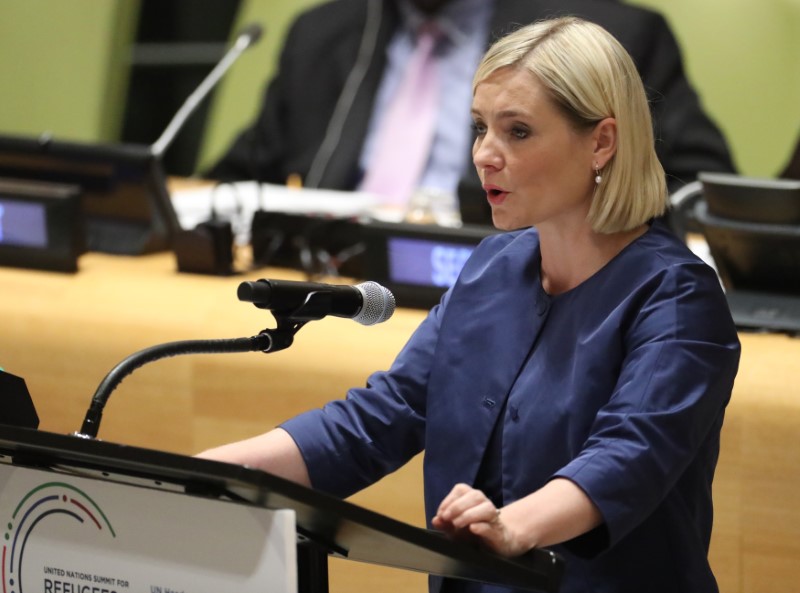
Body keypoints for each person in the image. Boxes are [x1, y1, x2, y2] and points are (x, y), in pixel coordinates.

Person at [198, 16, 741, 593]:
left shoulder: (678, 297)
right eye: (481, 128)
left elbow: (631, 454)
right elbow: (378, 420)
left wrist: (513, 527)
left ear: (601, 141)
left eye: (518, 132)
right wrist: (210, 473)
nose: (485, 154)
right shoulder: (490, 269)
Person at [207, 0, 736, 225]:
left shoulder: (596, 34)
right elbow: (238, 178)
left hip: (526, 287)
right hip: (337, 286)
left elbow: (698, 192)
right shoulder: (322, 33)